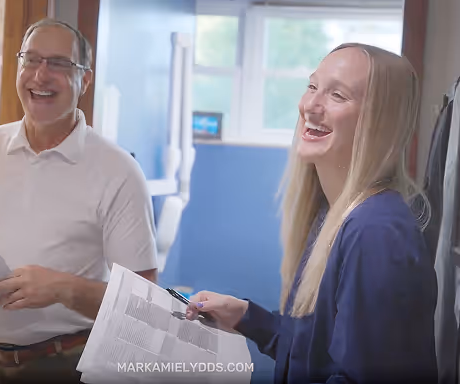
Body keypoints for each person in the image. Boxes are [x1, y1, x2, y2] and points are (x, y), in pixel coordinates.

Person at [0, 18, 158, 384]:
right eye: (31, 60)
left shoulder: (117, 170)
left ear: (84, 80)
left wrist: (63, 289)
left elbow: (144, 305)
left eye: (58, 63)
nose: (41, 76)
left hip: (63, 363)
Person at [186, 43, 438, 384]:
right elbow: (312, 350)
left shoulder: (376, 232)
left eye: (337, 95)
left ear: (380, 121)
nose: (310, 106)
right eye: (312, 86)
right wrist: (245, 316)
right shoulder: (333, 214)